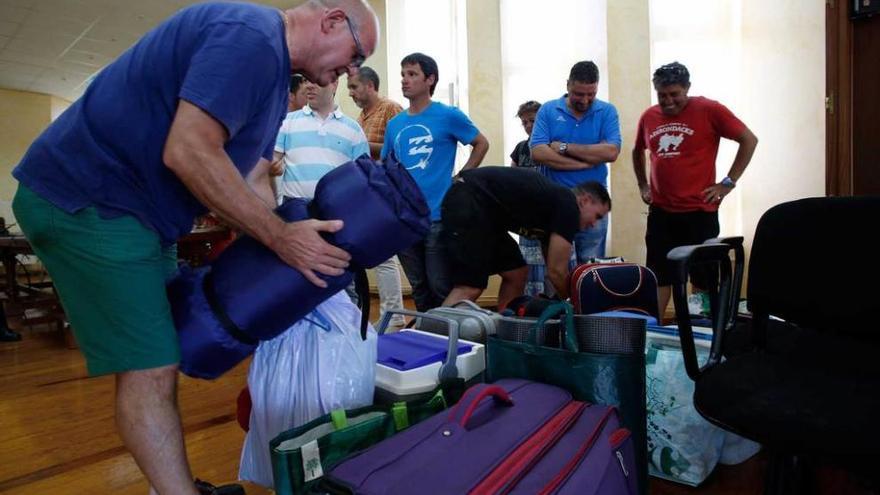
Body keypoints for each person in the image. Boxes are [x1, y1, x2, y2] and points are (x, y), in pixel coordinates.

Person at [10, 1, 378, 494]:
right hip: (91, 200)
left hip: (142, 215)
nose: (352, 70)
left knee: (171, 346)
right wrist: (278, 238)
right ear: (332, 20)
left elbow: (250, 174)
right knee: (151, 366)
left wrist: (287, 243)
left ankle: (171, 485)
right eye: (355, 54)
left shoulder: (271, 79)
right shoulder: (250, 35)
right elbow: (188, 149)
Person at [632, 61, 758, 316]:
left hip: (699, 212)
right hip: (662, 213)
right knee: (659, 274)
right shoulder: (649, 116)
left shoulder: (709, 109)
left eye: (674, 94)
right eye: (662, 95)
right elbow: (637, 152)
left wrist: (727, 184)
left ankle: (705, 335)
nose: (668, 101)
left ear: (687, 88)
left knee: (703, 278)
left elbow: (749, 140)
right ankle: (654, 332)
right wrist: (643, 185)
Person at [381, 52, 489, 312]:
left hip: (437, 214)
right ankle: (426, 338)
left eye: (412, 74)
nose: (405, 80)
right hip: (405, 218)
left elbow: (481, 143)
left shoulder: (447, 115)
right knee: (418, 287)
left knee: (440, 284)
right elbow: (387, 166)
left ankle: (447, 341)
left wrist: (461, 176)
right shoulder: (395, 124)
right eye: (403, 75)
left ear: (430, 79)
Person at [440, 167, 610, 309]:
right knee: (470, 286)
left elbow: (553, 269)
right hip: (469, 199)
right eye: (598, 216)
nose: (594, 224)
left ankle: (505, 331)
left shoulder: (555, 209)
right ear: (585, 200)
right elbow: (557, 271)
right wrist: (578, 307)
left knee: (516, 273)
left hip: (485, 213)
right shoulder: (569, 205)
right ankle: (429, 336)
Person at [530, 61, 621, 265]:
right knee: (556, 267)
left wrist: (564, 147)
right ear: (568, 85)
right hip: (555, 202)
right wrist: (586, 162)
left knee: (590, 268)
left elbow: (612, 151)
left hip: (593, 204)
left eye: (591, 94)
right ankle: (561, 299)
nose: (585, 100)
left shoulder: (606, 111)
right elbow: (538, 152)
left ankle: (585, 299)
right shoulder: (548, 110)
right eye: (579, 94)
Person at [347, 66, 406, 328]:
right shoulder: (362, 116)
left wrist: (359, 143)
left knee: (385, 257)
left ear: (370, 85)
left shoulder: (391, 109)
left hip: (386, 192)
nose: (350, 93)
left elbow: (400, 149)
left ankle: (394, 317)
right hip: (367, 193)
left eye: (353, 87)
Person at [274, 78, 369, 201]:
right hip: (295, 211)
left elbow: (363, 177)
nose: (309, 86)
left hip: (336, 210)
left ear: (334, 84)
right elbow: (272, 161)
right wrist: (273, 166)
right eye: (306, 80)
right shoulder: (287, 122)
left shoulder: (354, 130)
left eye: (316, 80)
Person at [508, 100, 548, 297]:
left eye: (532, 121)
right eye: (524, 123)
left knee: (549, 260)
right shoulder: (521, 148)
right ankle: (531, 301)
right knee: (529, 260)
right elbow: (512, 177)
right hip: (526, 213)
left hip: (546, 211)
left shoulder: (549, 145)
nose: (528, 126)